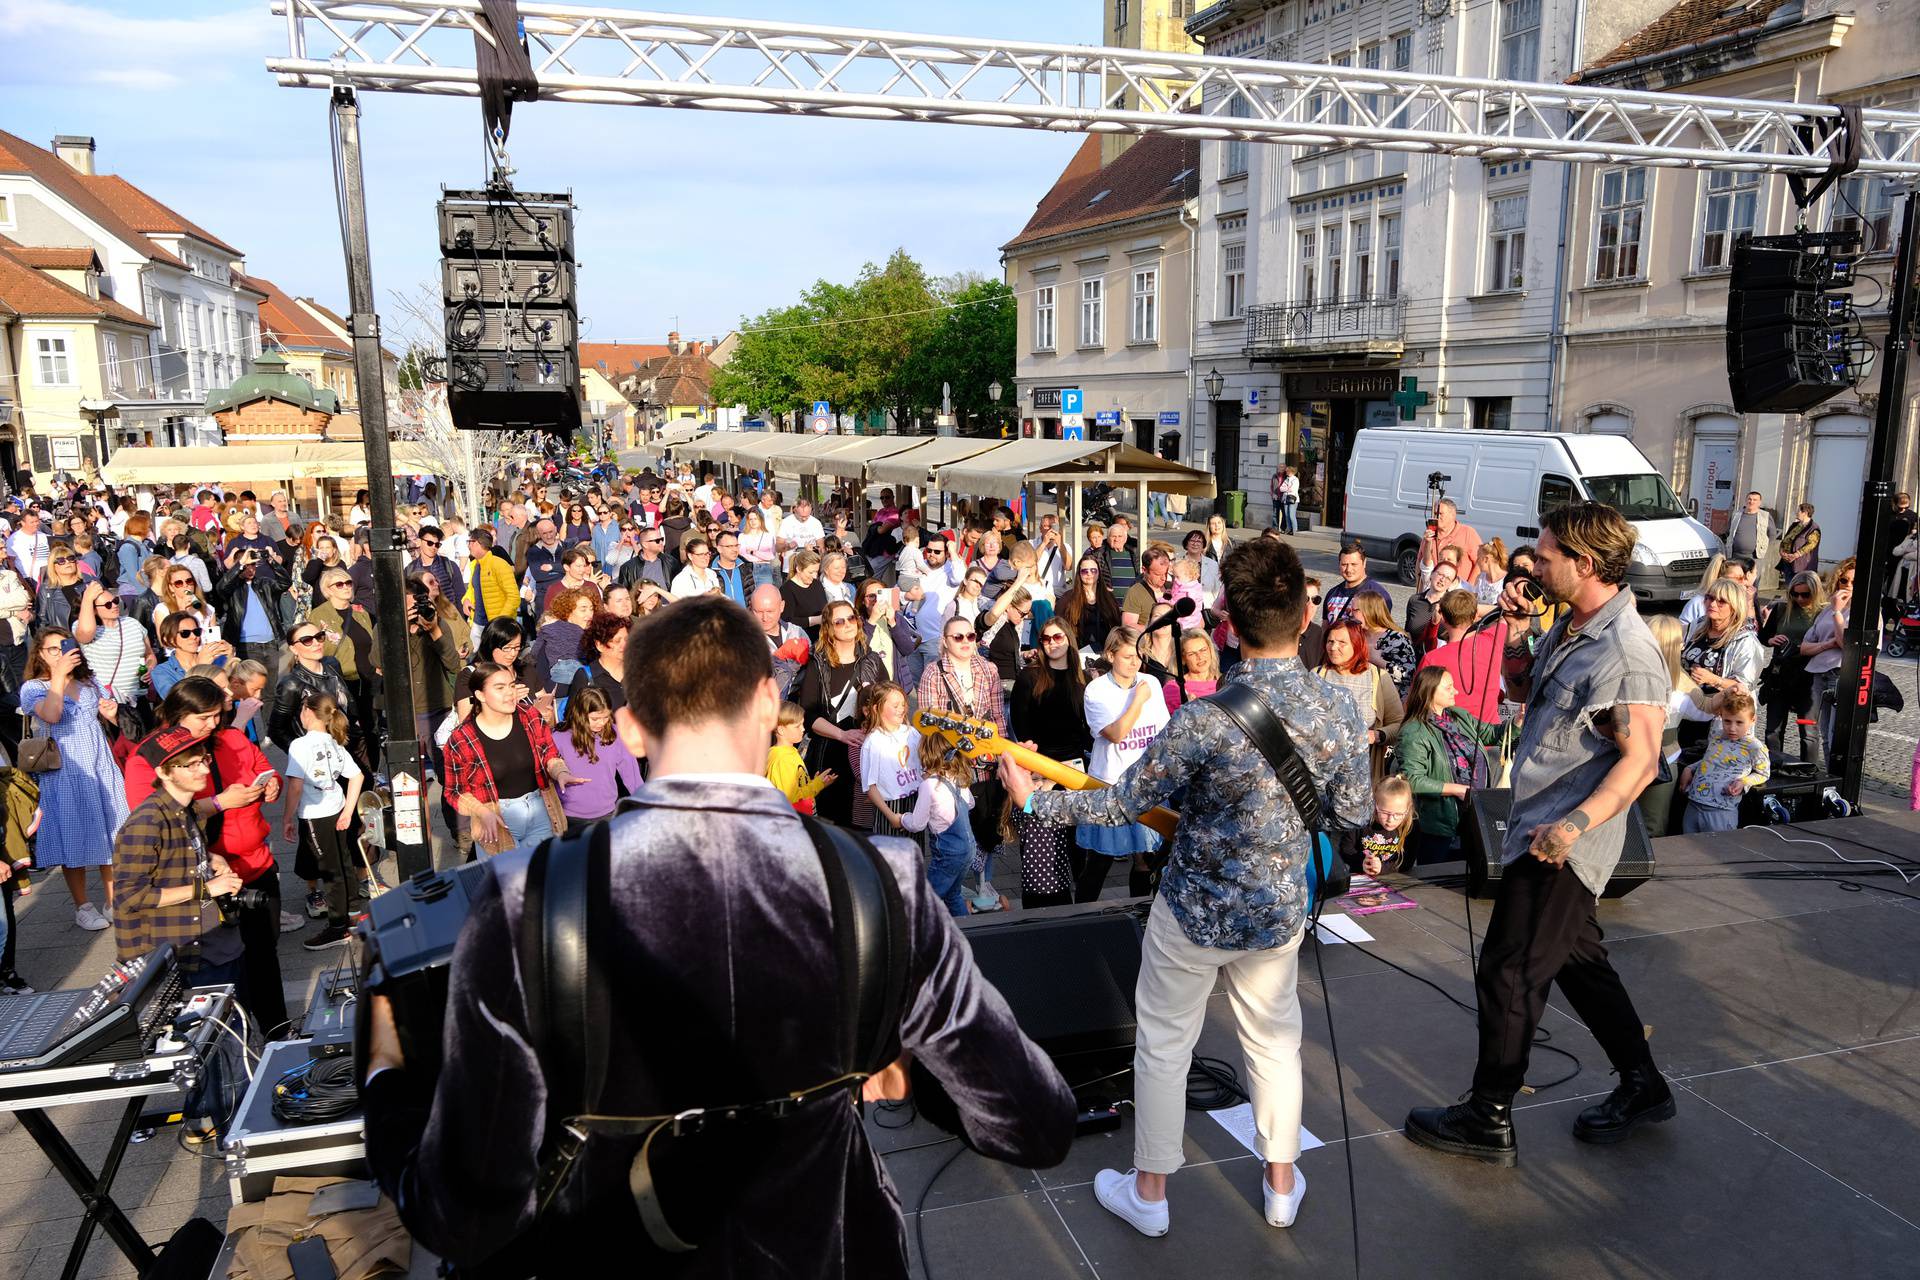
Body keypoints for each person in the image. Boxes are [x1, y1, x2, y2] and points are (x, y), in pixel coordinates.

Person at [361, 595, 1074, 1272]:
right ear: (769, 702)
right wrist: (897, 1056)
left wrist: (385, 1070)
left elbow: (463, 1209)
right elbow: (1032, 1121)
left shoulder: (523, 898)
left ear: (633, 725)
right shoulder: (884, 881)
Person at [1001, 535, 1369, 1237]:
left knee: (1167, 1042)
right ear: (1302, 619)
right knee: (1274, 1041)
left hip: (1195, 909)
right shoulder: (1338, 710)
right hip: (1279, 911)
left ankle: (1150, 1194)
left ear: (1228, 620)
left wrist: (1033, 799)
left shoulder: (1203, 717)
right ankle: (1281, 1184)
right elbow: (1351, 813)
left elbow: (1122, 803)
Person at [1404, 502, 1672, 1166]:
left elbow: (1640, 761)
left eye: (1547, 555)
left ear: (1585, 563)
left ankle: (1488, 1115)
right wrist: (1520, 633)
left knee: (1511, 970)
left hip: (1563, 840)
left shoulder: (1627, 651)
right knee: (1579, 961)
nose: (1536, 563)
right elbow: (1525, 688)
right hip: (1537, 822)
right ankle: (1643, 1084)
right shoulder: (1575, 627)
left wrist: (1575, 824)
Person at [111, 732, 244, 981]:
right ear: (163, 772)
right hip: (180, 952)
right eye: (191, 765)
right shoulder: (146, 823)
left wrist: (211, 857)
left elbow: (177, 853)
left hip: (213, 939)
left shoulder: (189, 807)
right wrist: (205, 889)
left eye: (204, 760)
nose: (204, 770)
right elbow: (130, 896)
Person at [23, 629, 129, 931]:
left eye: (64, 647)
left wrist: (111, 714)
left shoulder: (88, 682)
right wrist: (58, 676)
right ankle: (82, 905)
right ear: (40, 654)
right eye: (52, 649)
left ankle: (112, 900)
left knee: (112, 833)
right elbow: (52, 715)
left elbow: (108, 719)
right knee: (74, 838)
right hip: (65, 771)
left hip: (100, 766)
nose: (60, 653)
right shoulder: (33, 687)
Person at [1074, 626, 1172, 902]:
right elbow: (1116, 734)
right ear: (1110, 655)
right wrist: (1137, 702)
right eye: (1128, 656)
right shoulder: (1096, 690)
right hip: (1110, 786)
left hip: (1146, 786)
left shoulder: (1150, 683)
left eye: (1138, 656)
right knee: (1101, 861)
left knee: (1146, 860)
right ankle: (1079, 921)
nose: (1135, 662)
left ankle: (1139, 915)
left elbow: (1162, 733)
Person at [444, 661, 580, 853]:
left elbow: (549, 753)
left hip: (540, 809)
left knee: (541, 878)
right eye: (500, 688)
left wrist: (561, 772)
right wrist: (482, 812)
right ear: (480, 695)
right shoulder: (461, 738)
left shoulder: (530, 715)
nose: (510, 693)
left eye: (512, 685)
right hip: (496, 818)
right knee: (506, 881)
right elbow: (454, 792)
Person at [1392, 667, 1505, 863]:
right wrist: (1456, 789)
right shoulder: (1414, 731)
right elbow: (1411, 779)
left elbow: (1492, 734)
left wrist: (1519, 722)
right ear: (1430, 691)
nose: (1456, 691)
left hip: (1475, 817)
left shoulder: (1458, 716)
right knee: (1438, 884)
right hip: (1440, 826)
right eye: (1449, 687)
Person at [280, 691, 365, 951]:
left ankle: (338, 927)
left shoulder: (300, 745)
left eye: (302, 709)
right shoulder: (335, 741)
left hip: (316, 815)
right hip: (337, 809)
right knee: (344, 861)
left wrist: (287, 818)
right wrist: (349, 811)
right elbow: (357, 776)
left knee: (330, 871)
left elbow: (295, 786)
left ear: (308, 711)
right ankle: (352, 914)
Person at [796, 600, 887, 826]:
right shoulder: (818, 663)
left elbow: (890, 702)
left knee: (864, 826)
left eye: (852, 618)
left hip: (867, 754)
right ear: (829, 628)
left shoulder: (872, 660)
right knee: (832, 825)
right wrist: (842, 735)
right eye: (839, 621)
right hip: (830, 753)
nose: (848, 624)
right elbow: (808, 714)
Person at [896, 726, 980, 916]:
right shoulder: (959, 778)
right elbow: (971, 804)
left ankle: (921, 938)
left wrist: (901, 818)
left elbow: (917, 824)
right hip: (968, 850)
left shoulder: (929, 785)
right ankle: (968, 931)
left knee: (926, 900)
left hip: (948, 854)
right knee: (953, 895)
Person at [1679, 579, 1765, 753]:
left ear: (1734, 606)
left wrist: (1713, 680)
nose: (1713, 604)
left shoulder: (1746, 641)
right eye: (1709, 598)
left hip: (1720, 716)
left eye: (1721, 601)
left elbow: (1744, 687)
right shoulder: (1697, 626)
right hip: (1686, 710)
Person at [1315, 620, 1403, 780]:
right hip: (1321, 774)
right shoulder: (1316, 675)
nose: (1333, 647)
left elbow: (1399, 724)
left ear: (1357, 644)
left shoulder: (1378, 677)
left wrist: (1376, 735)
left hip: (1363, 776)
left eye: (1342, 642)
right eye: (1330, 641)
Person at [1678, 688, 1768, 834]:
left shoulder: (1755, 747)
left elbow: (1763, 773)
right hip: (1694, 803)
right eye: (1727, 721)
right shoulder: (1717, 736)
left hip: (1721, 809)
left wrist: (1744, 782)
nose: (1732, 728)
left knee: (1718, 850)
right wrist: (1690, 768)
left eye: (1739, 722)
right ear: (1721, 716)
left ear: (1753, 720)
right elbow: (1710, 760)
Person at [1757, 570, 1826, 752]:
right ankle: (1773, 768)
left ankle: (1808, 772)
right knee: (1773, 729)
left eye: (1805, 594)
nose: (1800, 599)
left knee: (1808, 731)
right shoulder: (1781, 609)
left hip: (1809, 676)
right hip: (1780, 674)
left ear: (1816, 592)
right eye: (1795, 594)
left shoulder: (1823, 612)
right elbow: (1764, 636)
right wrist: (1771, 640)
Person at [553, 687, 642, 824]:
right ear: (580, 714)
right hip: (570, 816)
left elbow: (631, 773)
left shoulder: (615, 734)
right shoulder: (559, 738)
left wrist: (645, 802)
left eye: (606, 717)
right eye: (595, 719)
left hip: (607, 813)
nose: (601, 723)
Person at [1802, 558, 1855, 771]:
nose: (1848, 586)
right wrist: (1827, 644)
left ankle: (1839, 780)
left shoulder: (1859, 613)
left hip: (1841, 674)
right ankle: (1830, 775)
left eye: (1853, 582)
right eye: (1844, 580)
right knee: (1823, 733)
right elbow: (1805, 647)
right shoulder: (1828, 609)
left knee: (1837, 735)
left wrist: (1837, 614)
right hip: (1818, 672)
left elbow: (1845, 644)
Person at [858, 682, 920, 835]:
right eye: (895, 705)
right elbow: (870, 787)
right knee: (891, 855)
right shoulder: (873, 742)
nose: (902, 709)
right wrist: (891, 816)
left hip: (915, 802)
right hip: (890, 806)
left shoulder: (911, 732)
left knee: (914, 853)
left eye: (903, 704)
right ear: (876, 708)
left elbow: (924, 766)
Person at [1337, 776, 1415, 876]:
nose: (1390, 819)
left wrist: (1382, 868)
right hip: (1360, 878)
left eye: (1398, 814)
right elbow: (1345, 849)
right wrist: (1362, 862)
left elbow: (1407, 862)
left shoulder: (1410, 826)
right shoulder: (1360, 820)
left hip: (1394, 879)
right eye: (1385, 813)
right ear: (1375, 804)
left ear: (1407, 809)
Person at [766, 701, 835, 811]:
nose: (803, 729)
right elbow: (791, 799)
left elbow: (797, 788)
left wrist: (815, 782)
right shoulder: (782, 760)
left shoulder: (790, 751)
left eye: (802, 724)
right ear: (781, 730)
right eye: (797, 726)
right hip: (795, 821)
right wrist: (817, 784)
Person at [1058, 553, 1121, 662]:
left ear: (1099, 573)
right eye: (1084, 571)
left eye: (1093, 570)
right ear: (1079, 573)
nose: (1089, 574)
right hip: (1077, 654)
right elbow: (1060, 626)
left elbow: (1116, 626)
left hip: (1105, 655)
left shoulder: (1108, 598)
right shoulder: (1068, 598)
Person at [566, 611, 631, 714]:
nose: (624, 645)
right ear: (599, 645)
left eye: (627, 639)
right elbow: (573, 717)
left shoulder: (636, 672)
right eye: (617, 641)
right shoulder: (586, 676)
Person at [1354, 590, 1417, 697]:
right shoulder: (1357, 634)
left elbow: (1407, 675)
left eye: (1355, 610)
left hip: (1389, 702)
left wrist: (1378, 660)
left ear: (1369, 611)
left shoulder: (1396, 639)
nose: (1350, 614)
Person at [1418, 498, 1482, 589]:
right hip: (1434, 590)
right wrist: (1419, 590)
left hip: (1458, 593)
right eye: (1435, 514)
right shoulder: (1429, 535)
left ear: (1453, 515)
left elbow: (1480, 563)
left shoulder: (1468, 533)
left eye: (1440, 514)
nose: (1436, 517)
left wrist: (1469, 587)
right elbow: (1422, 563)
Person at [1321, 543, 1389, 627]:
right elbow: (1325, 628)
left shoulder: (1378, 594)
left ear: (1364, 563)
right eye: (1344, 564)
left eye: (1354, 564)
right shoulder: (1332, 594)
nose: (1348, 569)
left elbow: (1381, 630)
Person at [1405, 559, 1458, 657]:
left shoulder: (1452, 607)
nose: (1442, 579)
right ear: (1432, 574)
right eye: (1440, 574)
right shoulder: (1415, 600)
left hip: (1437, 660)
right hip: (1412, 657)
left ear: (1451, 584)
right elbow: (1407, 631)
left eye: (1448, 578)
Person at [1162, 629, 1220, 712]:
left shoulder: (1225, 682)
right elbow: (1170, 723)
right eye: (1191, 654)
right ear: (1183, 659)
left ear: (1210, 650)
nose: (1199, 657)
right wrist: (1187, 710)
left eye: (1203, 650)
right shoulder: (1174, 688)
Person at [1727, 491, 1775, 588]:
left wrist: (1763, 547)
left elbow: (1772, 534)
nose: (1751, 502)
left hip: (1754, 557)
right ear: (1745, 500)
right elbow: (1728, 531)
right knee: (1734, 582)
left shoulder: (1765, 516)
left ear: (1759, 502)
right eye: (1749, 499)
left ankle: (1752, 602)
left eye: (1755, 500)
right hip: (1735, 556)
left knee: (1752, 583)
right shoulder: (1736, 514)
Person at [1776, 502, 1820, 578]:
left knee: (1797, 586)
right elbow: (1786, 539)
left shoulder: (1813, 528)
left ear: (1805, 513)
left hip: (1801, 565)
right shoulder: (1795, 525)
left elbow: (1811, 545)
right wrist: (1781, 551)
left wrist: (1796, 555)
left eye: (1798, 511)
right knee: (1789, 586)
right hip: (1787, 562)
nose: (1796, 513)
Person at [1276, 466, 1300, 536]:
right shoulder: (1286, 479)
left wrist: (1286, 488)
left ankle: (1295, 530)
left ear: (1291, 472)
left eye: (1287, 471)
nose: (1286, 472)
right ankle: (1289, 529)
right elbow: (1281, 489)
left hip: (1293, 499)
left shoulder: (1295, 480)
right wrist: (1287, 488)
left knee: (1292, 515)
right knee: (1286, 515)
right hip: (1285, 499)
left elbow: (1293, 489)